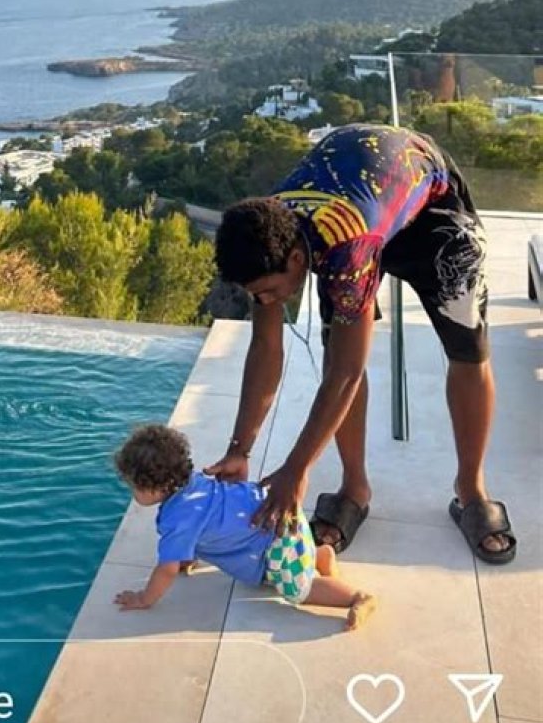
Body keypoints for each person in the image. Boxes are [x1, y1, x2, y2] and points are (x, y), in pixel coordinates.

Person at [208, 123, 516, 566]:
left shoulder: (345, 246)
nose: (267, 301)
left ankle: (471, 490)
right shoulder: (266, 232)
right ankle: (354, 488)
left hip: (432, 211)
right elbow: (266, 348)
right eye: (257, 294)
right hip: (359, 205)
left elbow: (346, 374)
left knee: (466, 349)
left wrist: (296, 470)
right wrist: (239, 450)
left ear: (296, 259)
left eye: (269, 291)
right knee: (335, 347)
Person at [112, 423, 375, 628]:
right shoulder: (195, 482)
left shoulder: (177, 519)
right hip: (281, 515)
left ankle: (356, 598)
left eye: (133, 486)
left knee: (300, 590)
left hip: (277, 544)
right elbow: (207, 522)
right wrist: (186, 558)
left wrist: (144, 598)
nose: (132, 492)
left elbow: (166, 570)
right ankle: (319, 554)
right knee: (294, 556)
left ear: (154, 487)